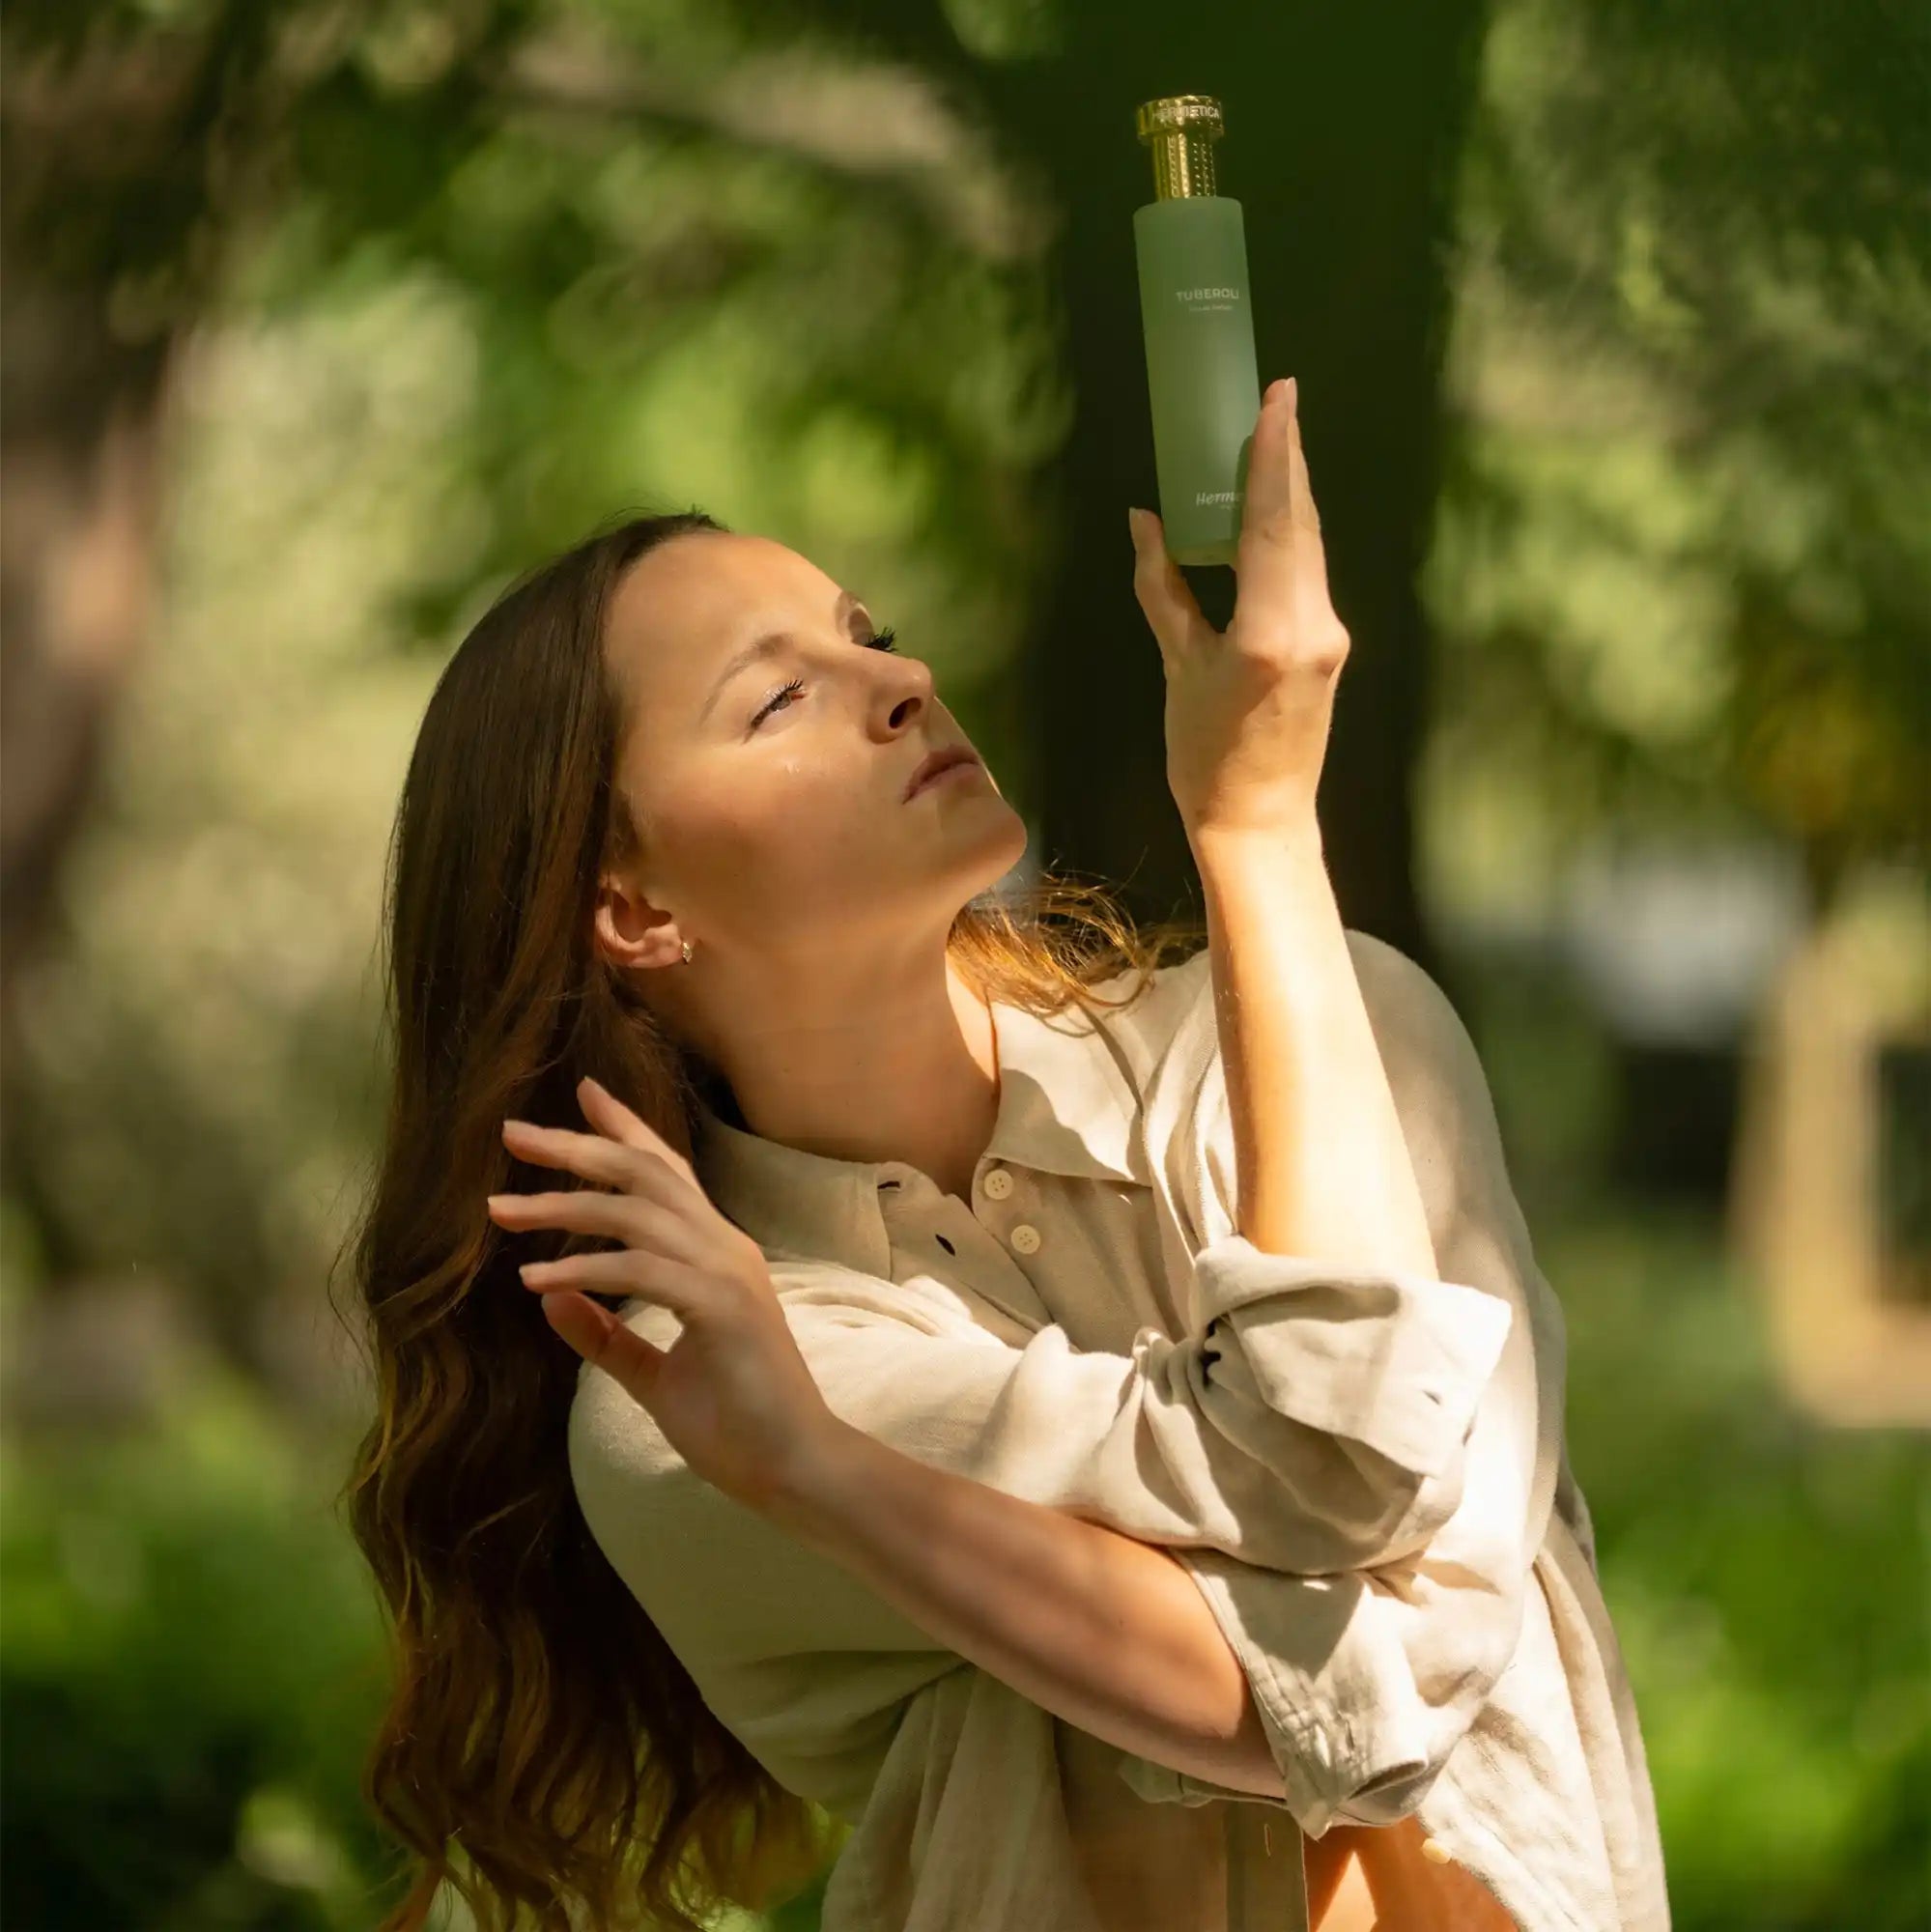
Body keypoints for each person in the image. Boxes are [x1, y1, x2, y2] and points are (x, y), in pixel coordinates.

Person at [341, 379, 1669, 1932]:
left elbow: (1391, 1629)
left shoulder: (1337, 1031)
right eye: (778, 698)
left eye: (869, 628)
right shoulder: (684, 1393)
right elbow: (1356, 1690)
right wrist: (1253, 830)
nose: (897, 680)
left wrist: (825, 1475)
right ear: (636, 912)